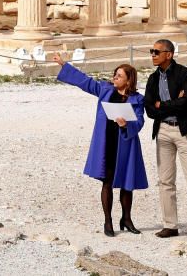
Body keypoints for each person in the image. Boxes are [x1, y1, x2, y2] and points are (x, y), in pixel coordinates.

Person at [54, 54, 148, 237]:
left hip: (126, 144)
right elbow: (85, 82)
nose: (114, 78)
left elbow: (140, 121)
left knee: (127, 184)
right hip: (107, 142)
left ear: (129, 81)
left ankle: (126, 219)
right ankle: (108, 221)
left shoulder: (137, 99)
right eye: (115, 74)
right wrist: (65, 65)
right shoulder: (105, 89)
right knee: (107, 182)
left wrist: (126, 124)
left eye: (119, 76)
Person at [143, 39, 187, 241]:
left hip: (184, 132)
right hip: (163, 131)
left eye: (156, 51)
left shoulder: (185, 75)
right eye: (152, 51)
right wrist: (170, 104)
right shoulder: (152, 79)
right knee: (165, 181)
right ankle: (170, 225)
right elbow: (149, 108)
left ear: (169, 54)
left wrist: (162, 105)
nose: (153, 55)